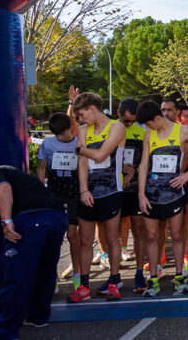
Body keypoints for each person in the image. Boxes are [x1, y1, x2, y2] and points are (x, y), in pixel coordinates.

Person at [0, 165, 67, 339]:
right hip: (57, 217)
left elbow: (2, 188)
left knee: (17, 276)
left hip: (31, 220)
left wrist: (6, 221)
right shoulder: (21, 176)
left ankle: (5, 332)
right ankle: (38, 316)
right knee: (45, 271)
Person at [136, 100, 188, 296]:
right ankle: (153, 278)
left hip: (174, 193)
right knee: (152, 236)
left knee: (178, 235)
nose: (147, 128)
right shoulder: (149, 134)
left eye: (148, 124)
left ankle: (179, 276)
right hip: (152, 193)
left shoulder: (183, 131)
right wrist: (141, 194)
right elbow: (144, 165)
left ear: (156, 118)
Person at [68, 92, 126, 303]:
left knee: (112, 239)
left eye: (82, 115)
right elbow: (83, 162)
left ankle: (114, 281)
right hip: (88, 193)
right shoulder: (84, 131)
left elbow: (101, 154)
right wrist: (84, 190)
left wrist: (81, 150)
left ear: (93, 108)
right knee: (85, 239)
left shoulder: (117, 127)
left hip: (111, 190)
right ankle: (83, 286)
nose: (80, 120)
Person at [36, 113, 81, 291]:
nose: (60, 137)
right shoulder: (48, 144)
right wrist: (41, 191)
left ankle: (77, 275)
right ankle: (52, 276)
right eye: (57, 135)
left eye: (62, 134)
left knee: (72, 235)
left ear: (70, 128)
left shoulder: (78, 142)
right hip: (54, 191)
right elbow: (41, 168)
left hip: (73, 190)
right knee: (54, 237)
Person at [116, 99, 150, 292]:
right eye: (127, 120)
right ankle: (114, 276)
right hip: (115, 188)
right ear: (118, 113)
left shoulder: (143, 131)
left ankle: (139, 273)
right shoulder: (111, 129)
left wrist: (133, 171)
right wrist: (120, 168)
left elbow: (148, 159)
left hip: (136, 187)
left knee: (139, 231)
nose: (129, 124)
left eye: (133, 120)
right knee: (113, 233)